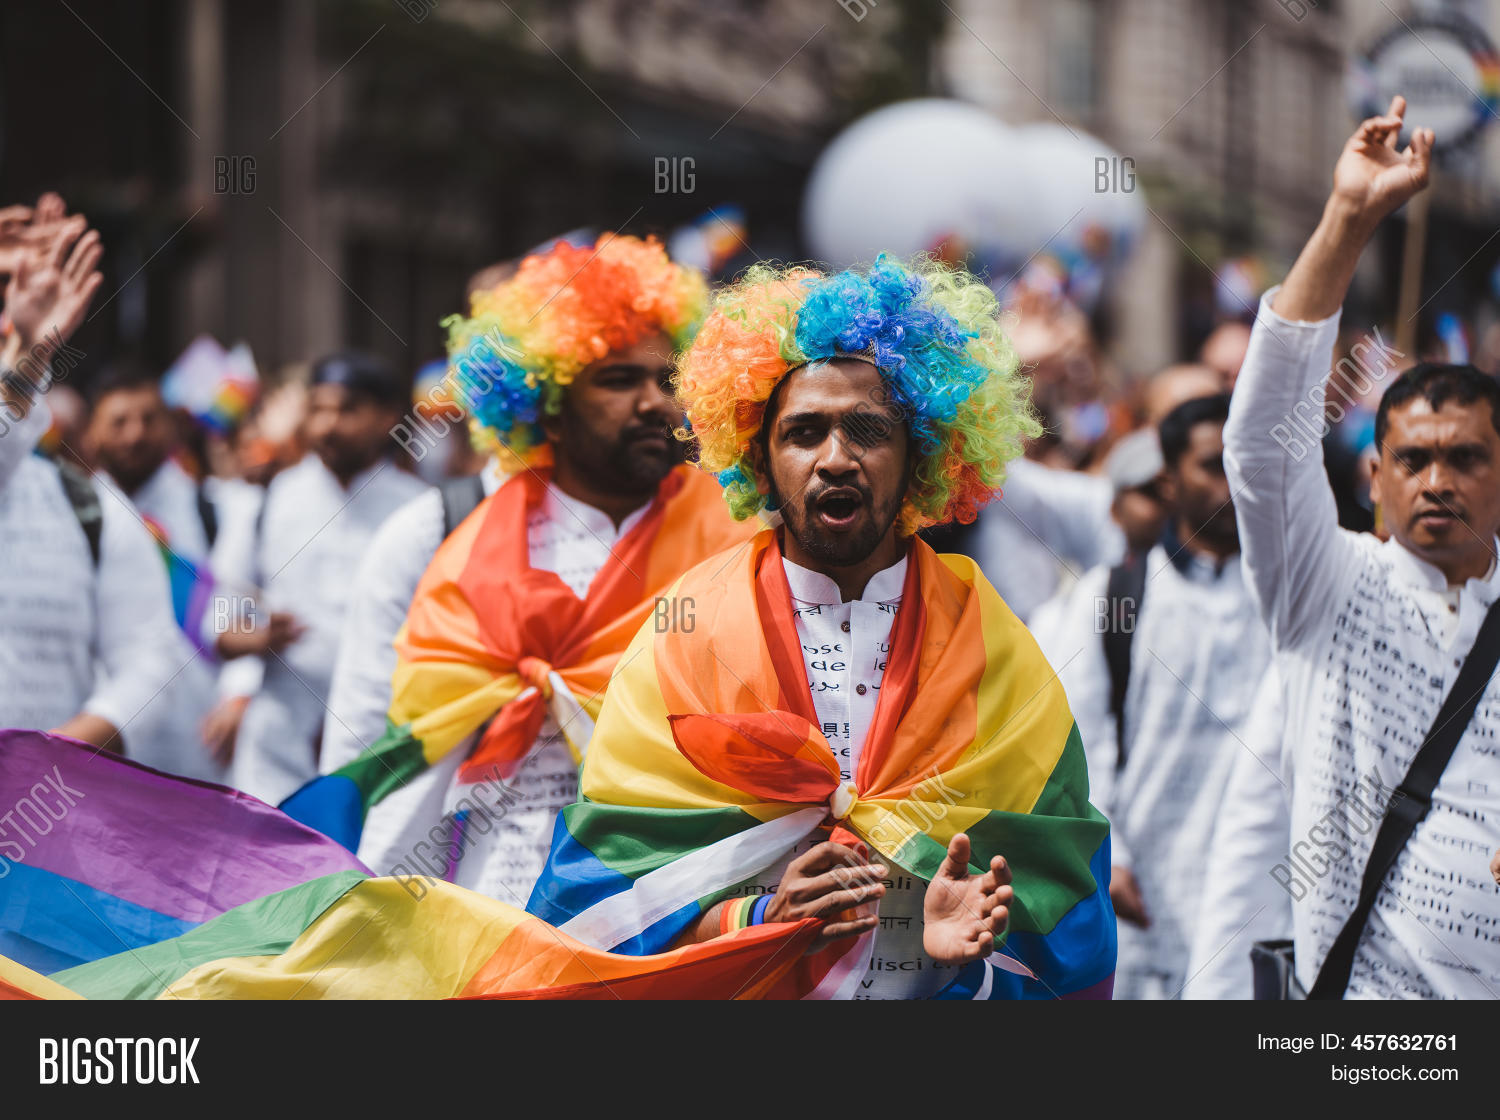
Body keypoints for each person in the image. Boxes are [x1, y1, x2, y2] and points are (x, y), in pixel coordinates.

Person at [525, 255, 1116, 999]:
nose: (836, 459)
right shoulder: (684, 634)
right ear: (761, 460)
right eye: (804, 433)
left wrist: (958, 956)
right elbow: (593, 908)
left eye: (867, 430)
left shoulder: (996, 647)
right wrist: (757, 913)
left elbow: (1066, 911)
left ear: (920, 455)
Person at [290, 235, 756, 906]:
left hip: (669, 905)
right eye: (620, 380)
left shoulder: (740, 537)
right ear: (548, 406)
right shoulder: (431, 535)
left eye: (667, 379)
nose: (655, 403)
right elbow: (365, 732)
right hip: (473, 905)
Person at [1225, 95, 1500, 998]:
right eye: (1412, 460)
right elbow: (1264, 441)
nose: (1437, 481)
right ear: (1373, 477)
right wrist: (1348, 219)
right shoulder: (1329, 587)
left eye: (1465, 458)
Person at [1031, 393, 1271, 999]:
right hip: (1140, 895)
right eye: (1215, 465)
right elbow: (1072, 737)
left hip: (1262, 893)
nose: (1235, 483)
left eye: (1248, 463)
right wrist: (1107, 852)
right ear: (1168, 479)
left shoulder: (1289, 602)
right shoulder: (1114, 599)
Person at [0, 202, 183, 753]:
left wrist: (57, 756)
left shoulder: (93, 511)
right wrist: (22, 363)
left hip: (42, 822)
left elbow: (151, 665)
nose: (14, 302)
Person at [208, 351, 428, 804]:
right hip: (279, 745)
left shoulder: (422, 509)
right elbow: (224, 608)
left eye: (347, 410)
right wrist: (253, 636)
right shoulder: (269, 499)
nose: (328, 425)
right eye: (319, 409)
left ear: (388, 417)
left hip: (384, 742)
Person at [84, 363, 247, 782]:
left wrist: (238, 694)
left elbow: (238, 607)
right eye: (119, 421)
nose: (135, 434)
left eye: (148, 419)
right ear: (93, 432)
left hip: (197, 748)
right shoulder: (70, 517)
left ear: (172, 428)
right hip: (93, 745)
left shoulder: (215, 510)